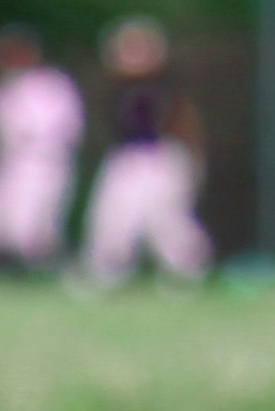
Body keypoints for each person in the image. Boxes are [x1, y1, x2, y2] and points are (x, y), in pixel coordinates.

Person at [76, 17, 209, 287]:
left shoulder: (166, 89)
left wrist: (192, 165)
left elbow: (185, 130)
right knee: (111, 216)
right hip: (127, 158)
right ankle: (105, 271)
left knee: (165, 219)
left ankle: (185, 271)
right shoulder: (118, 89)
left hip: (159, 158)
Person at [0, 23, 78, 270]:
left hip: (42, 162)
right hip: (8, 162)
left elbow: (64, 129)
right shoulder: (3, 88)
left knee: (30, 230)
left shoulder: (53, 85)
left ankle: (49, 267)